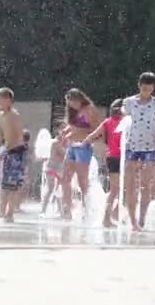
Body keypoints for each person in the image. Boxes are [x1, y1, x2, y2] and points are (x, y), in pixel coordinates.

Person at [122, 72, 155, 231]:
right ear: (139, 86)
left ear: (154, 88)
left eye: (150, 88)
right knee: (130, 184)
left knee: (146, 185)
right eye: (144, 88)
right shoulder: (129, 103)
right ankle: (132, 220)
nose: (147, 91)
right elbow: (123, 123)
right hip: (131, 146)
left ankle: (141, 219)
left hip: (149, 147)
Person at [60, 88, 100, 220]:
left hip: (83, 147)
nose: (71, 106)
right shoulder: (74, 111)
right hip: (72, 147)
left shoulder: (89, 109)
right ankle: (66, 211)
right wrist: (65, 132)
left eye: (73, 103)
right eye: (69, 104)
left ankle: (86, 211)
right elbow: (73, 126)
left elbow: (96, 130)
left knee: (83, 182)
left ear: (79, 99)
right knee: (65, 179)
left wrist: (77, 131)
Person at [82, 99, 123, 227]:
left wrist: (83, 144)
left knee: (116, 189)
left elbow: (91, 136)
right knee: (120, 189)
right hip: (121, 159)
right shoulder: (125, 122)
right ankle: (108, 217)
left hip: (112, 158)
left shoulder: (107, 122)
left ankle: (112, 215)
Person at [0, 87, 25, 222]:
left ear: (9, 100)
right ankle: (1, 212)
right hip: (8, 151)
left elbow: (19, 135)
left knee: (13, 185)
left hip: (17, 152)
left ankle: (10, 213)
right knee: (4, 184)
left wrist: (8, 149)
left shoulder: (14, 115)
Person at [40, 123, 66, 216]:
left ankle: (59, 211)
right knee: (51, 189)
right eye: (62, 130)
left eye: (65, 129)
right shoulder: (55, 142)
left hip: (58, 168)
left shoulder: (60, 142)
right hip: (51, 167)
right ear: (57, 131)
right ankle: (43, 211)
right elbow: (64, 153)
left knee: (57, 189)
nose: (64, 132)